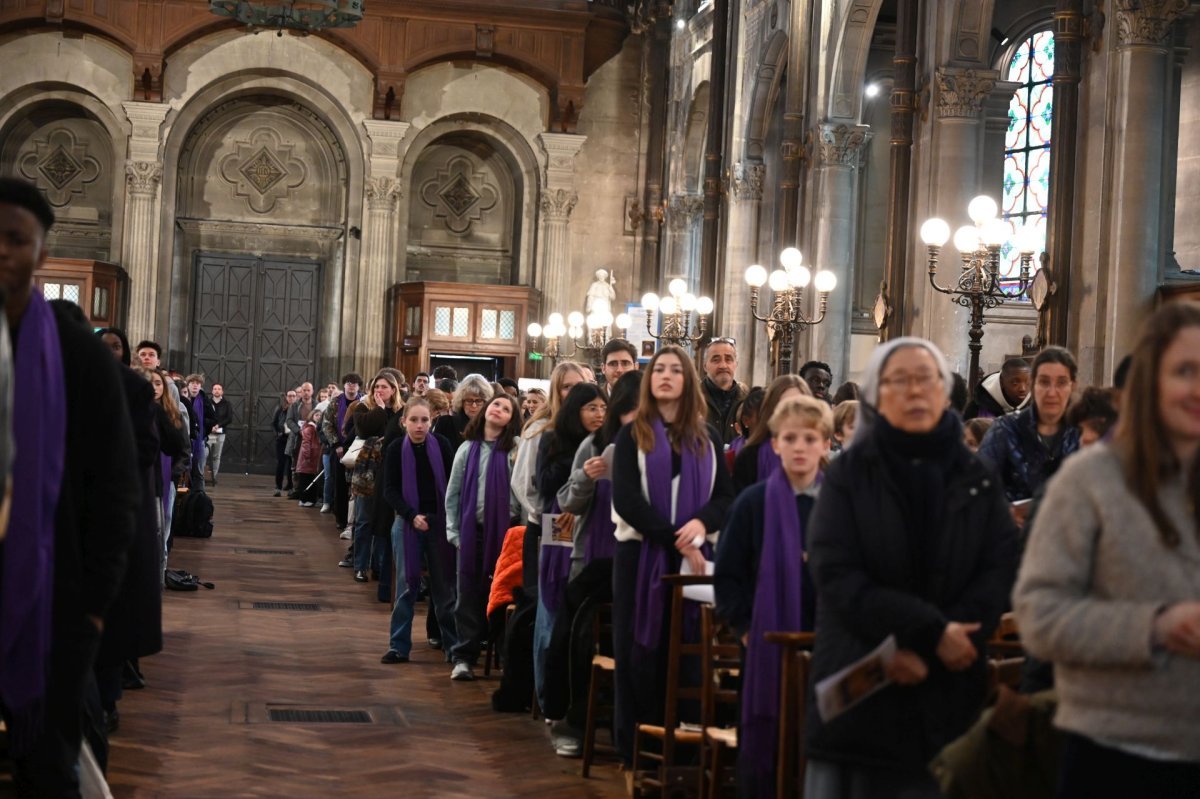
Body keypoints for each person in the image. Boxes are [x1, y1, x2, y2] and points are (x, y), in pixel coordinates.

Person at [803, 337, 1019, 798]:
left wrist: (952, 639)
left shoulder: (975, 476)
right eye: (900, 381)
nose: (916, 391)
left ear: (945, 392)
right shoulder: (848, 475)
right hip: (863, 680)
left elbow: (999, 569)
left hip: (949, 689)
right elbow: (837, 575)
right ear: (878, 395)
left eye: (927, 379)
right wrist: (931, 634)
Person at [1013, 302, 1200, 797]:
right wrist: (1155, 626)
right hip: (1115, 754)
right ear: (1150, 384)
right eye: (1186, 371)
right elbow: (1039, 615)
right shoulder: (1090, 479)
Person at [0, 176, 141, 795]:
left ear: (41, 253)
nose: (1, 250)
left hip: (56, 591)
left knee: (47, 763)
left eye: (15, 238)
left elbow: (114, 486)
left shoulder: (76, 355)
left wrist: (93, 606)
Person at [610, 345, 735, 765]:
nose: (665, 376)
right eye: (658, 369)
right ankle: (638, 748)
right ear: (649, 380)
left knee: (690, 653)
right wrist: (676, 538)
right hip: (640, 556)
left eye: (674, 370)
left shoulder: (708, 436)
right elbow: (628, 500)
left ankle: (685, 746)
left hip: (693, 560)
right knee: (638, 651)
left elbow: (723, 497)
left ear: (687, 380)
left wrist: (699, 525)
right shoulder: (633, 434)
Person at [715, 395, 832, 797]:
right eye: (790, 438)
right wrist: (746, 629)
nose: (800, 447)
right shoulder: (753, 503)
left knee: (819, 738)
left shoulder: (839, 504)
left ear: (825, 444)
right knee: (768, 734)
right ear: (776, 444)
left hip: (826, 644)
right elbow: (727, 576)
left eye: (810, 438)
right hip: (767, 641)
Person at [533, 382, 607, 734]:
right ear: (575, 409)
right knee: (554, 599)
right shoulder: (553, 438)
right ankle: (548, 695)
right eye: (591, 408)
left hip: (591, 525)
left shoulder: (608, 442)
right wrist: (577, 464)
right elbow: (543, 484)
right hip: (558, 520)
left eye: (603, 408)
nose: (598, 414)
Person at [445, 394, 522, 681]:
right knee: (468, 594)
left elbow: (523, 493)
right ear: (486, 411)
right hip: (471, 533)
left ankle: (504, 656)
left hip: (506, 534)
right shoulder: (467, 448)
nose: (499, 410)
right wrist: (453, 532)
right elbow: (452, 493)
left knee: (503, 594)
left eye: (506, 408)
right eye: (496, 405)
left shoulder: (515, 448)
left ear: (512, 418)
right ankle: (464, 656)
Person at [380, 397, 457, 664]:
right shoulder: (394, 449)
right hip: (407, 522)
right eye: (414, 420)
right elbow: (389, 489)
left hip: (438, 523)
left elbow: (451, 483)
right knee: (406, 586)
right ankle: (398, 646)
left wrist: (440, 519)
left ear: (432, 420)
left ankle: (454, 646)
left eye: (424, 420)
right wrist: (411, 516)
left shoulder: (443, 446)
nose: (419, 425)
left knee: (444, 588)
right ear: (404, 422)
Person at [977, 346, 1081, 504]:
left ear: (1073, 386)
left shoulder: (1083, 433)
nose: (1052, 392)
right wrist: (1008, 511)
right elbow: (979, 485)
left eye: (1061, 383)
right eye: (1044, 382)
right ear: (1033, 385)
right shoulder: (1005, 429)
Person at [732, 374, 812, 492]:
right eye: (784, 406)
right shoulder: (750, 456)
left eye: (799, 405)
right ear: (772, 410)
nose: (792, 412)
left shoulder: (817, 452)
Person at [701, 337, 747, 445]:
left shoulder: (748, 400)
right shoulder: (691, 398)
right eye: (716, 360)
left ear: (736, 364)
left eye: (728, 359)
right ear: (705, 366)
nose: (723, 365)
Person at [432, 373, 492, 451]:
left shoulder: (492, 425)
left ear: (486, 402)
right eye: (469, 400)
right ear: (461, 401)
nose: (474, 405)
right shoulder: (445, 423)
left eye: (478, 400)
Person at [963, 357, 1032, 420]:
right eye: (1015, 383)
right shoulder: (979, 407)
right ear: (1001, 382)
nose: (1023, 389)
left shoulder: (1034, 405)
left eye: (1028, 382)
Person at [183, 373, 216, 491]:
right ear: (188, 385)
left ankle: (199, 496)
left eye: (197, 384)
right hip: (185, 440)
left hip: (200, 440)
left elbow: (213, 419)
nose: (195, 386)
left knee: (199, 471)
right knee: (185, 471)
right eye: (192, 383)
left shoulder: (204, 400)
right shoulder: (184, 398)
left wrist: (201, 423)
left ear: (200, 386)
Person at [293, 408, 324, 507]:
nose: (318, 417)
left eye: (320, 415)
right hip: (308, 458)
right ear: (312, 416)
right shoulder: (310, 428)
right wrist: (307, 457)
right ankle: (304, 499)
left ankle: (310, 499)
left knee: (311, 479)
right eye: (316, 415)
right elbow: (306, 443)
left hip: (313, 458)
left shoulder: (316, 428)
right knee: (305, 479)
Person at [206, 383, 233, 486]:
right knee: (205, 454)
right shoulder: (207, 402)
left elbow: (229, 418)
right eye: (215, 389)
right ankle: (201, 475)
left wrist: (218, 425)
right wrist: (211, 426)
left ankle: (214, 476)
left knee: (216, 456)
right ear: (212, 391)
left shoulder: (227, 404)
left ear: (222, 391)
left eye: (219, 389)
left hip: (221, 433)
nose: (217, 391)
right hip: (209, 432)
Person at [272, 390, 296, 497]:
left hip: (293, 439)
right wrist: (277, 433)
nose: (291, 398)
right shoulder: (280, 409)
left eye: (293, 396)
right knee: (280, 463)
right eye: (289, 396)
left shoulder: (297, 408)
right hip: (282, 439)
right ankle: (278, 486)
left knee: (292, 464)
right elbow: (273, 423)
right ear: (286, 397)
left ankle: (291, 486)